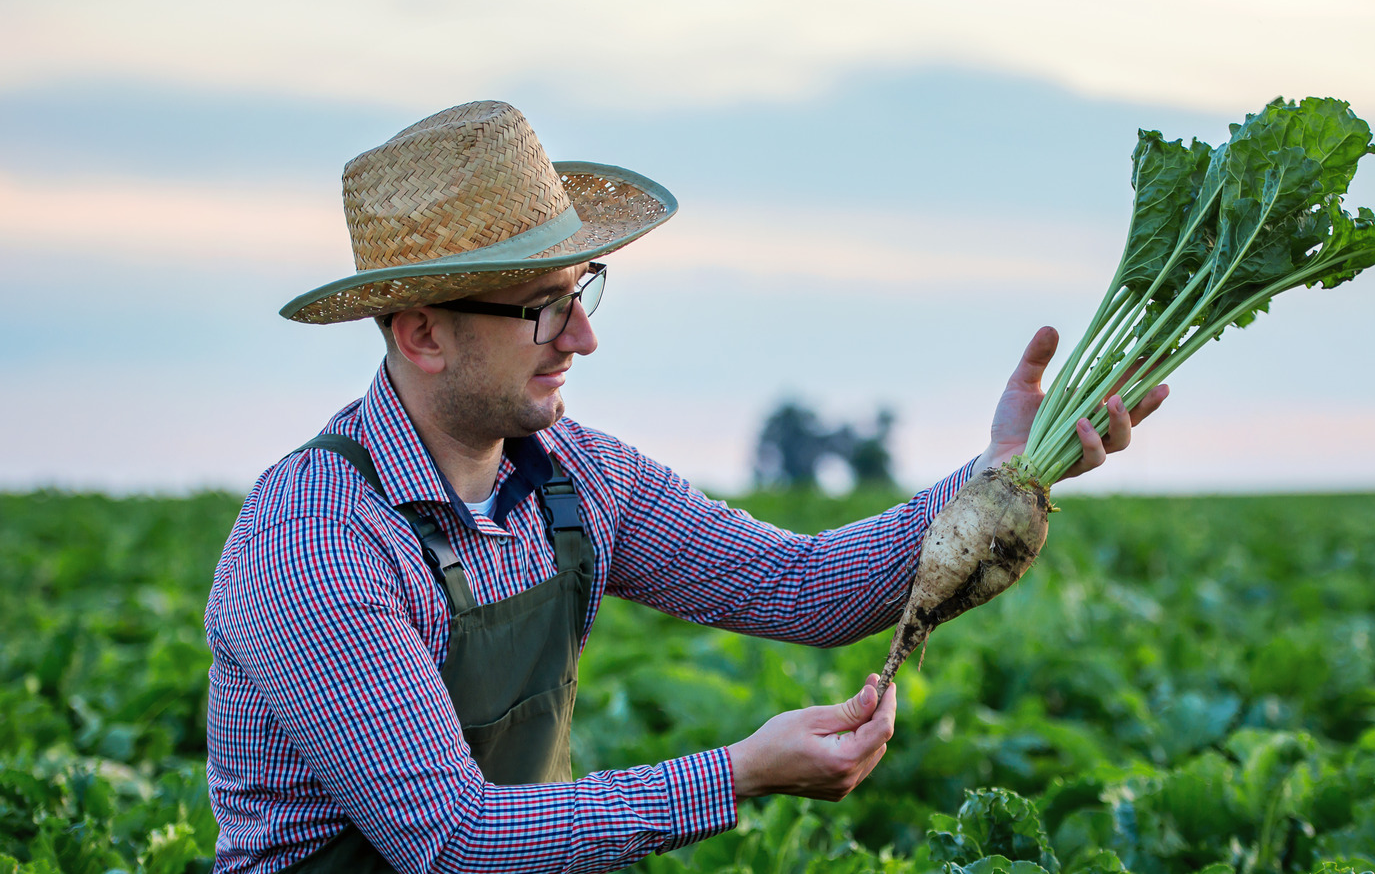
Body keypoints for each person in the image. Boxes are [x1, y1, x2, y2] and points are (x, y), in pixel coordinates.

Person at [204, 100, 1167, 874]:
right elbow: (454, 839)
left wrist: (1005, 469)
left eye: (584, 290)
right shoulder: (315, 537)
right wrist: (740, 773)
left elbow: (802, 585)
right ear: (420, 333)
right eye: (543, 308)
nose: (582, 337)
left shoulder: (575, 476)